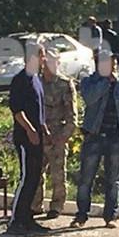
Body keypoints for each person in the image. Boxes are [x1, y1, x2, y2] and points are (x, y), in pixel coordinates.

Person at [72, 50, 119, 229]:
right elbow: (90, 98)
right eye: (109, 64)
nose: (113, 67)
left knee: (113, 180)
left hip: (115, 137)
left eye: (114, 64)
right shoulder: (89, 81)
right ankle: (81, 216)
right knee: (86, 179)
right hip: (94, 136)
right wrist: (106, 83)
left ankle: (111, 216)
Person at [7, 42, 50, 234]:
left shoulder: (36, 79)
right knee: (26, 177)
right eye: (42, 55)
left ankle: (28, 218)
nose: (44, 59)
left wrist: (43, 127)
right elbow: (17, 110)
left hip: (37, 135)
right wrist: (30, 130)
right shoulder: (21, 79)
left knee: (35, 177)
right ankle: (16, 220)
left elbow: (37, 108)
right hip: (25, 137)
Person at [31, 48, 77, 219]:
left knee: (58, 175)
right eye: (46, 61)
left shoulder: (64, 85)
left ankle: (56, 206)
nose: (50, 65)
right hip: (38, 135)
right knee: (35, 173)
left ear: (58, 63)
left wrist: (63, 136)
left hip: (57, 135)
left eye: (53, 61)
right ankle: (35, 205)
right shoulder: (36, 83)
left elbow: (72, 116)